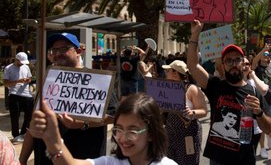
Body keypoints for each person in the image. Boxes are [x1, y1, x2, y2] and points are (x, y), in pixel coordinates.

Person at [19, 32, 116, 165]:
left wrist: (83, 123)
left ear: (78, 51)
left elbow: (113, 116)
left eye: (64, 49)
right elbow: (33, 126)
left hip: (81, 158)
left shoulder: (98, 80)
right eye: (54, 50)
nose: (57, 53)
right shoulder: (48, 81)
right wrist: (22, 160)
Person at [187, 20, 271, 165]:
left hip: (244, 159)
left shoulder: (253, 92)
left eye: (237, 60)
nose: (233, 64)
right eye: (229, 61)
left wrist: (258, 112)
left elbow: (269, 129)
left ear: (243, 62)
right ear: (223, 65)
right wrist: (195, 35)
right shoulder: (215, 85)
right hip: (218, 159)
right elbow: (193, 65)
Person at [28, 93, 177, 165]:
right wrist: (52, 140)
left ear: (151, 133)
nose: (123, 138)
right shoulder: (110, 163)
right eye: (118, 129)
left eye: (132, 131)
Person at [163, 60, 207, 165]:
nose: (165, 72)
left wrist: (192, 112)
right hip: (170, 133)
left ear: (175, 73)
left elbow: (204, 110)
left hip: (188, 134)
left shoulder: (191, 89)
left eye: (168, 70)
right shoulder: (166, 88)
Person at [252, 45, 271, 159]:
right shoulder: (256, 68)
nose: (266, 57)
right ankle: (262, 148)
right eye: (264, 55)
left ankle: (270, 135)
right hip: (260, 100)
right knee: (261, 125)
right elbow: (254, 61)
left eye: (268, 55)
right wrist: (264, 50)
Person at [3, 52, 34, 143]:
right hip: (14, 94)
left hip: (26, 93)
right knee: (15, 115)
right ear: (16, 60)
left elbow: (30, 78)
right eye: (20, 62)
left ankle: (24, 132)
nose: (22, 64)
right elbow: (5, 83)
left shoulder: (26, 67)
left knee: (30, 114)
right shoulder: (8, 68)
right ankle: (16, 135)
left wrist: (28, 80)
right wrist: (18, 81)